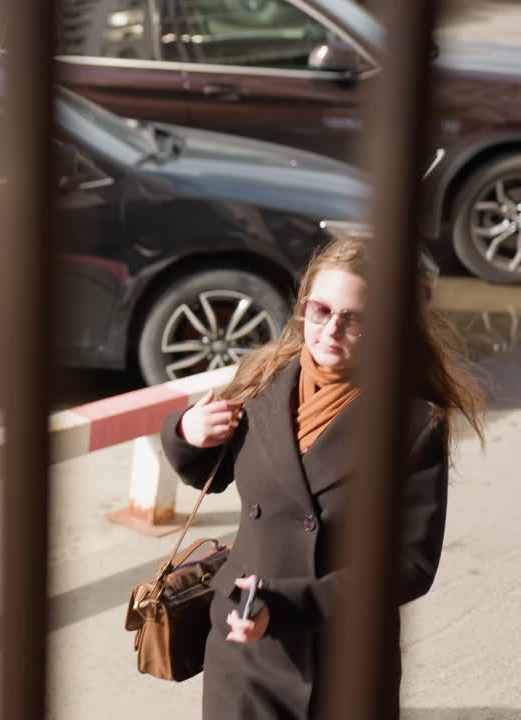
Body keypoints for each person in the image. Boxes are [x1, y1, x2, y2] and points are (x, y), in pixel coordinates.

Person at [159, 236, 484, 720]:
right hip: (243, 652)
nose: (332, 329)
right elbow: (214, 473)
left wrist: (288, 604)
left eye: (355, 319)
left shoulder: (413, 425)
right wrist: (186, 432)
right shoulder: (263, 379)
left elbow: (410, 564)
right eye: (321, 310)